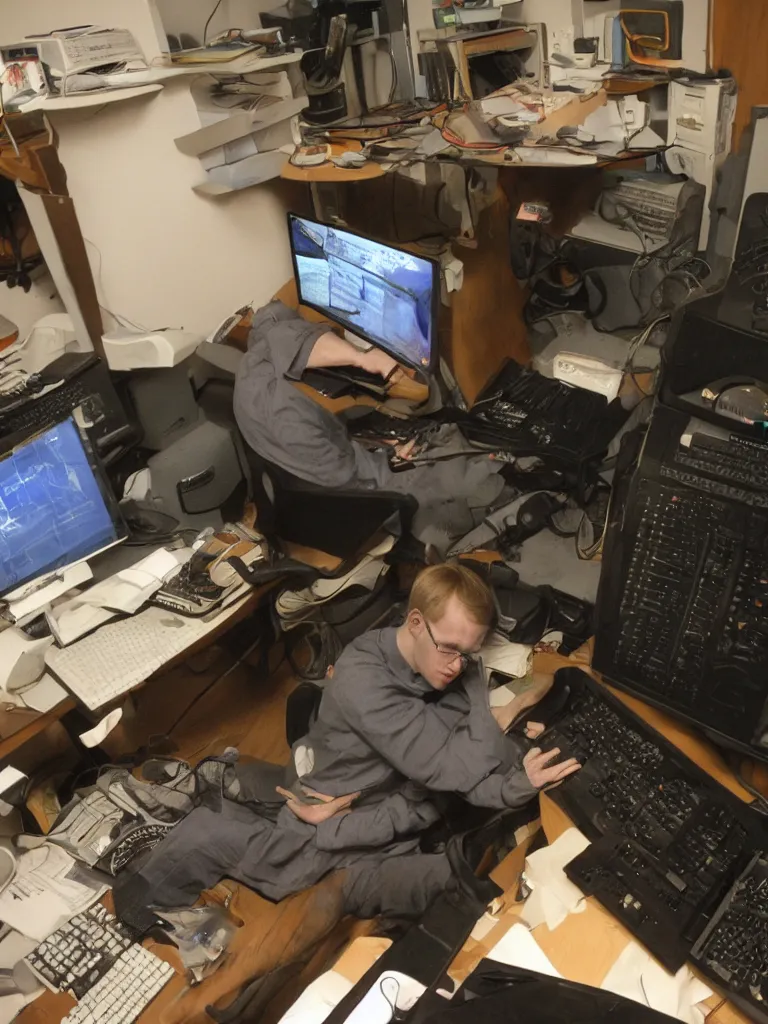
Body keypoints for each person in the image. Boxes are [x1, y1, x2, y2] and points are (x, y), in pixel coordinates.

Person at [117, 564, 579, 926]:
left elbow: (463, 767)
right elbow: (455, 771)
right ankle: (137, 914)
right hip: (333, 824)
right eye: (450, 649)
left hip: (378, 808)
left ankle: (226, 785)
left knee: (471, 864)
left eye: (469, 653)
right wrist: (490, 711)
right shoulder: (367, 678)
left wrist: (513, 760)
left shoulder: (437, 661)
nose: (458, 665)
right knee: (450, 884)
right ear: (415, 623)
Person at [233, 301, 507, 550]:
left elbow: (273, 317)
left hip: (309, 464)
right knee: (451, 473)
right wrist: (390, 456)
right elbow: (351, 478)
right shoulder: (286, 416)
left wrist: (357, 356)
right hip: (349, 494)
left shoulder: (260, 354)